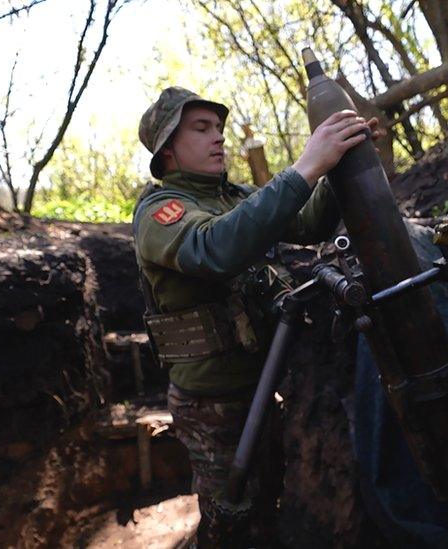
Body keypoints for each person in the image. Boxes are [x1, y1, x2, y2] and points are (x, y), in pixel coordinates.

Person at [132, 86, 376, 546]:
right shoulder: (161, 211)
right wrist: (305, 166)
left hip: (263, 386)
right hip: (211, 402)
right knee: (232, 517)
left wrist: (339, 164)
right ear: (167, 149)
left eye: (219, 129)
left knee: (266, 501)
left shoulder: (234, 196)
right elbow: (216, 249)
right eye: (201, 129)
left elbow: (310, 224)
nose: (218, 138)